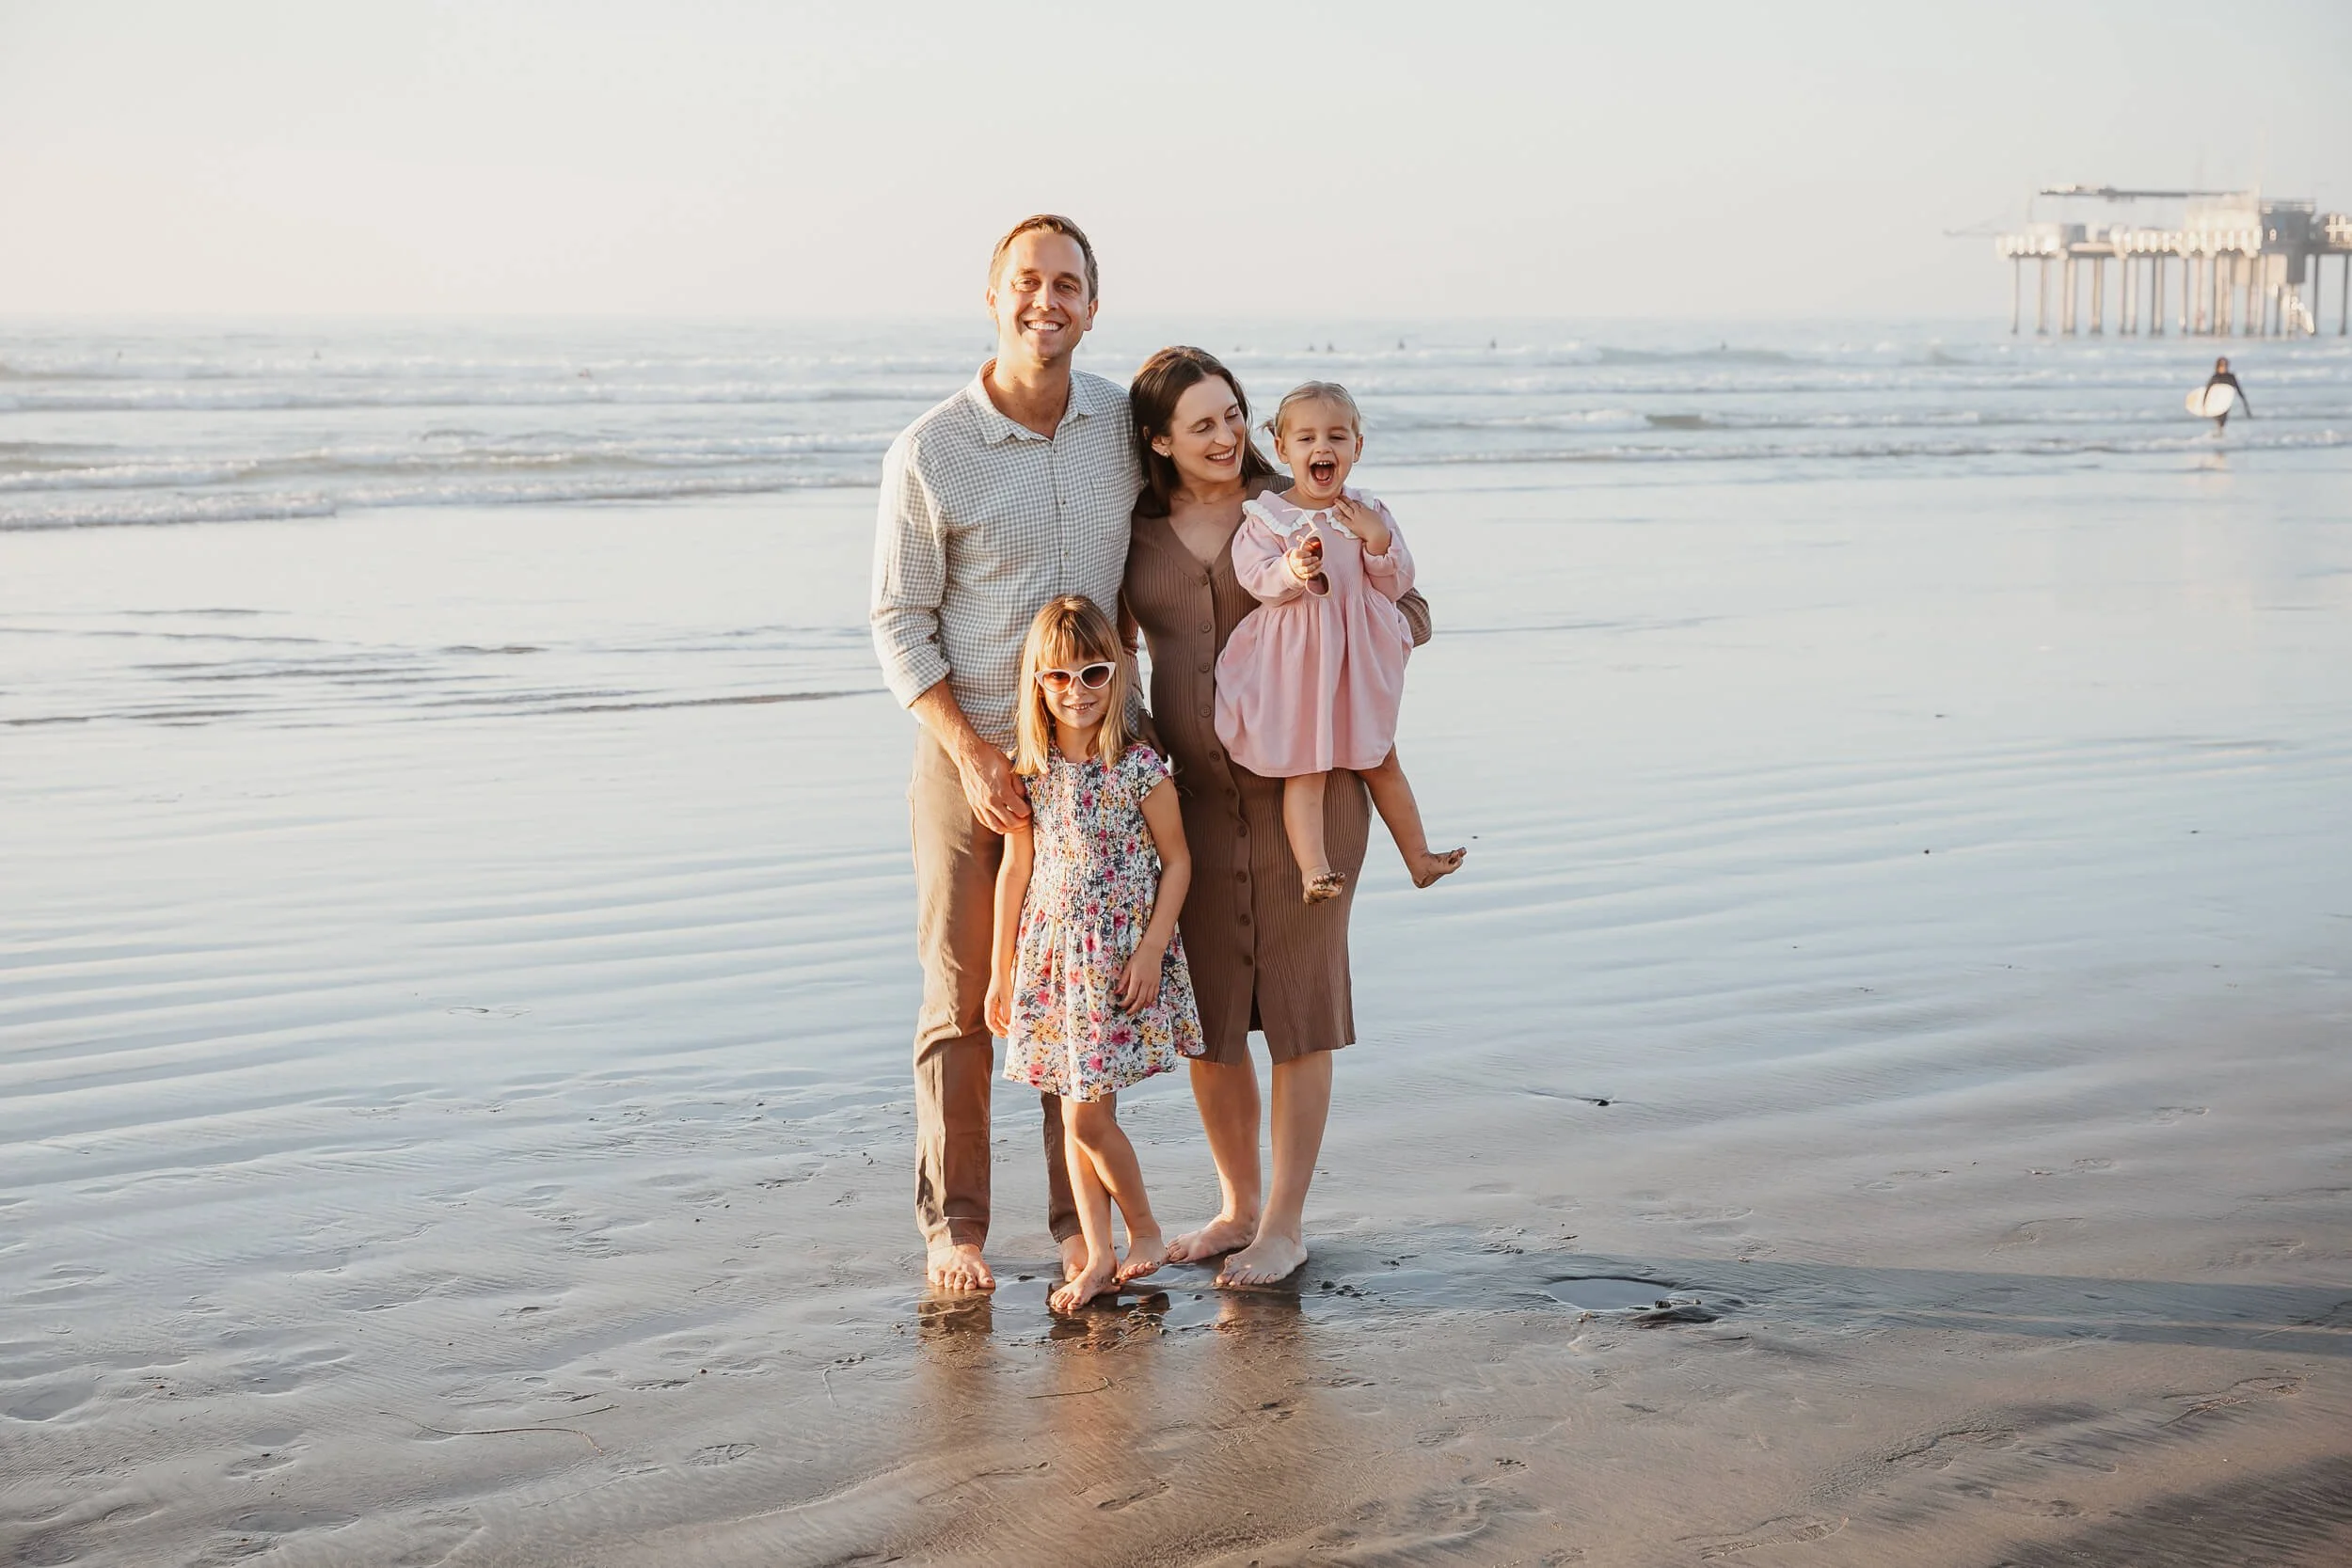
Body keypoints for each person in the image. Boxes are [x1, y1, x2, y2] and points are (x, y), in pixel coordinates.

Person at [1120, 347, 1434, 1289]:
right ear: (1159, 440)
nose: (1223, 437)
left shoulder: (1302, 500)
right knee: (1211, 1013)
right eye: (1201, 423)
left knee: (1299, 1002)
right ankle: (1236, 1206)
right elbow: (1102, 646)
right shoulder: (1134, 531)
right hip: (1192, 805)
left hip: (1313, 789)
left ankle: (1285, 1223)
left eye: (1232, 416)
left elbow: (1410, 604)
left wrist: (1361, 639)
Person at [870, 215, 1141, 1294]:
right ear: (993, 298)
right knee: (963, 992)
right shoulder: (931, 449)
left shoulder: (1122, 426)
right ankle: (957, 1228)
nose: (1047, 300)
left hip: (1091, 762)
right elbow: (898, 619)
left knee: (1069, 996)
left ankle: (1080, 1223)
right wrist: (973, 753)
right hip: (971, 757)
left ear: (1091, 302)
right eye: (1027, 282)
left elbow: (1234, 499)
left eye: (1067, 283)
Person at [987, 595, 1203, 1312]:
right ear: (1037, 682)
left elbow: (1177, 862)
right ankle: (1100, 1255)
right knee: (1073, 1110)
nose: (1075, 692)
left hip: (1115, 964)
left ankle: (1142, 1232)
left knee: (1084, 1117)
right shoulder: (1031, 769)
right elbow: (1015, 871)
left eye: (1093, 673)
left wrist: (1149, 951)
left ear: (1116, 677)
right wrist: (1000, 972)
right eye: (1058, 677)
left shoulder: (1137, 767)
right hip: (1054, 966)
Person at [1216, 380, 1463, 902]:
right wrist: (1290, 567)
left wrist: (1377, 539)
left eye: (1335, 437)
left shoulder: (1368, 509)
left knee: (1382, 758)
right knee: (1307, 770)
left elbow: (1396, 584)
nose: (1321, 448)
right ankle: (1315, 871)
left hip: (1355, 659)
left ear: (1357, 447)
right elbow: (1254, 578)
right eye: (1305, 439)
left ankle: (1418, 859)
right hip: (1300, 662)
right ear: (1283, 450)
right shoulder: (1270, 515)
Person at [2203, 356, 2252, 433]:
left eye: (2226, 365)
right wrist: (2204, 406)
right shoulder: (2215, 377)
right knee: (2219, 420)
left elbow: (2239, 391)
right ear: (2218, 366)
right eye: (2222, 365)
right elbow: (2207, 391)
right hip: (2215, 403)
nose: (2224, 367)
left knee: (2223, 421)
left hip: (2226, 403)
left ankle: (2219, 433)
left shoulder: (2231, 377)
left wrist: (2246, 408)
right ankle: (2217, 433)